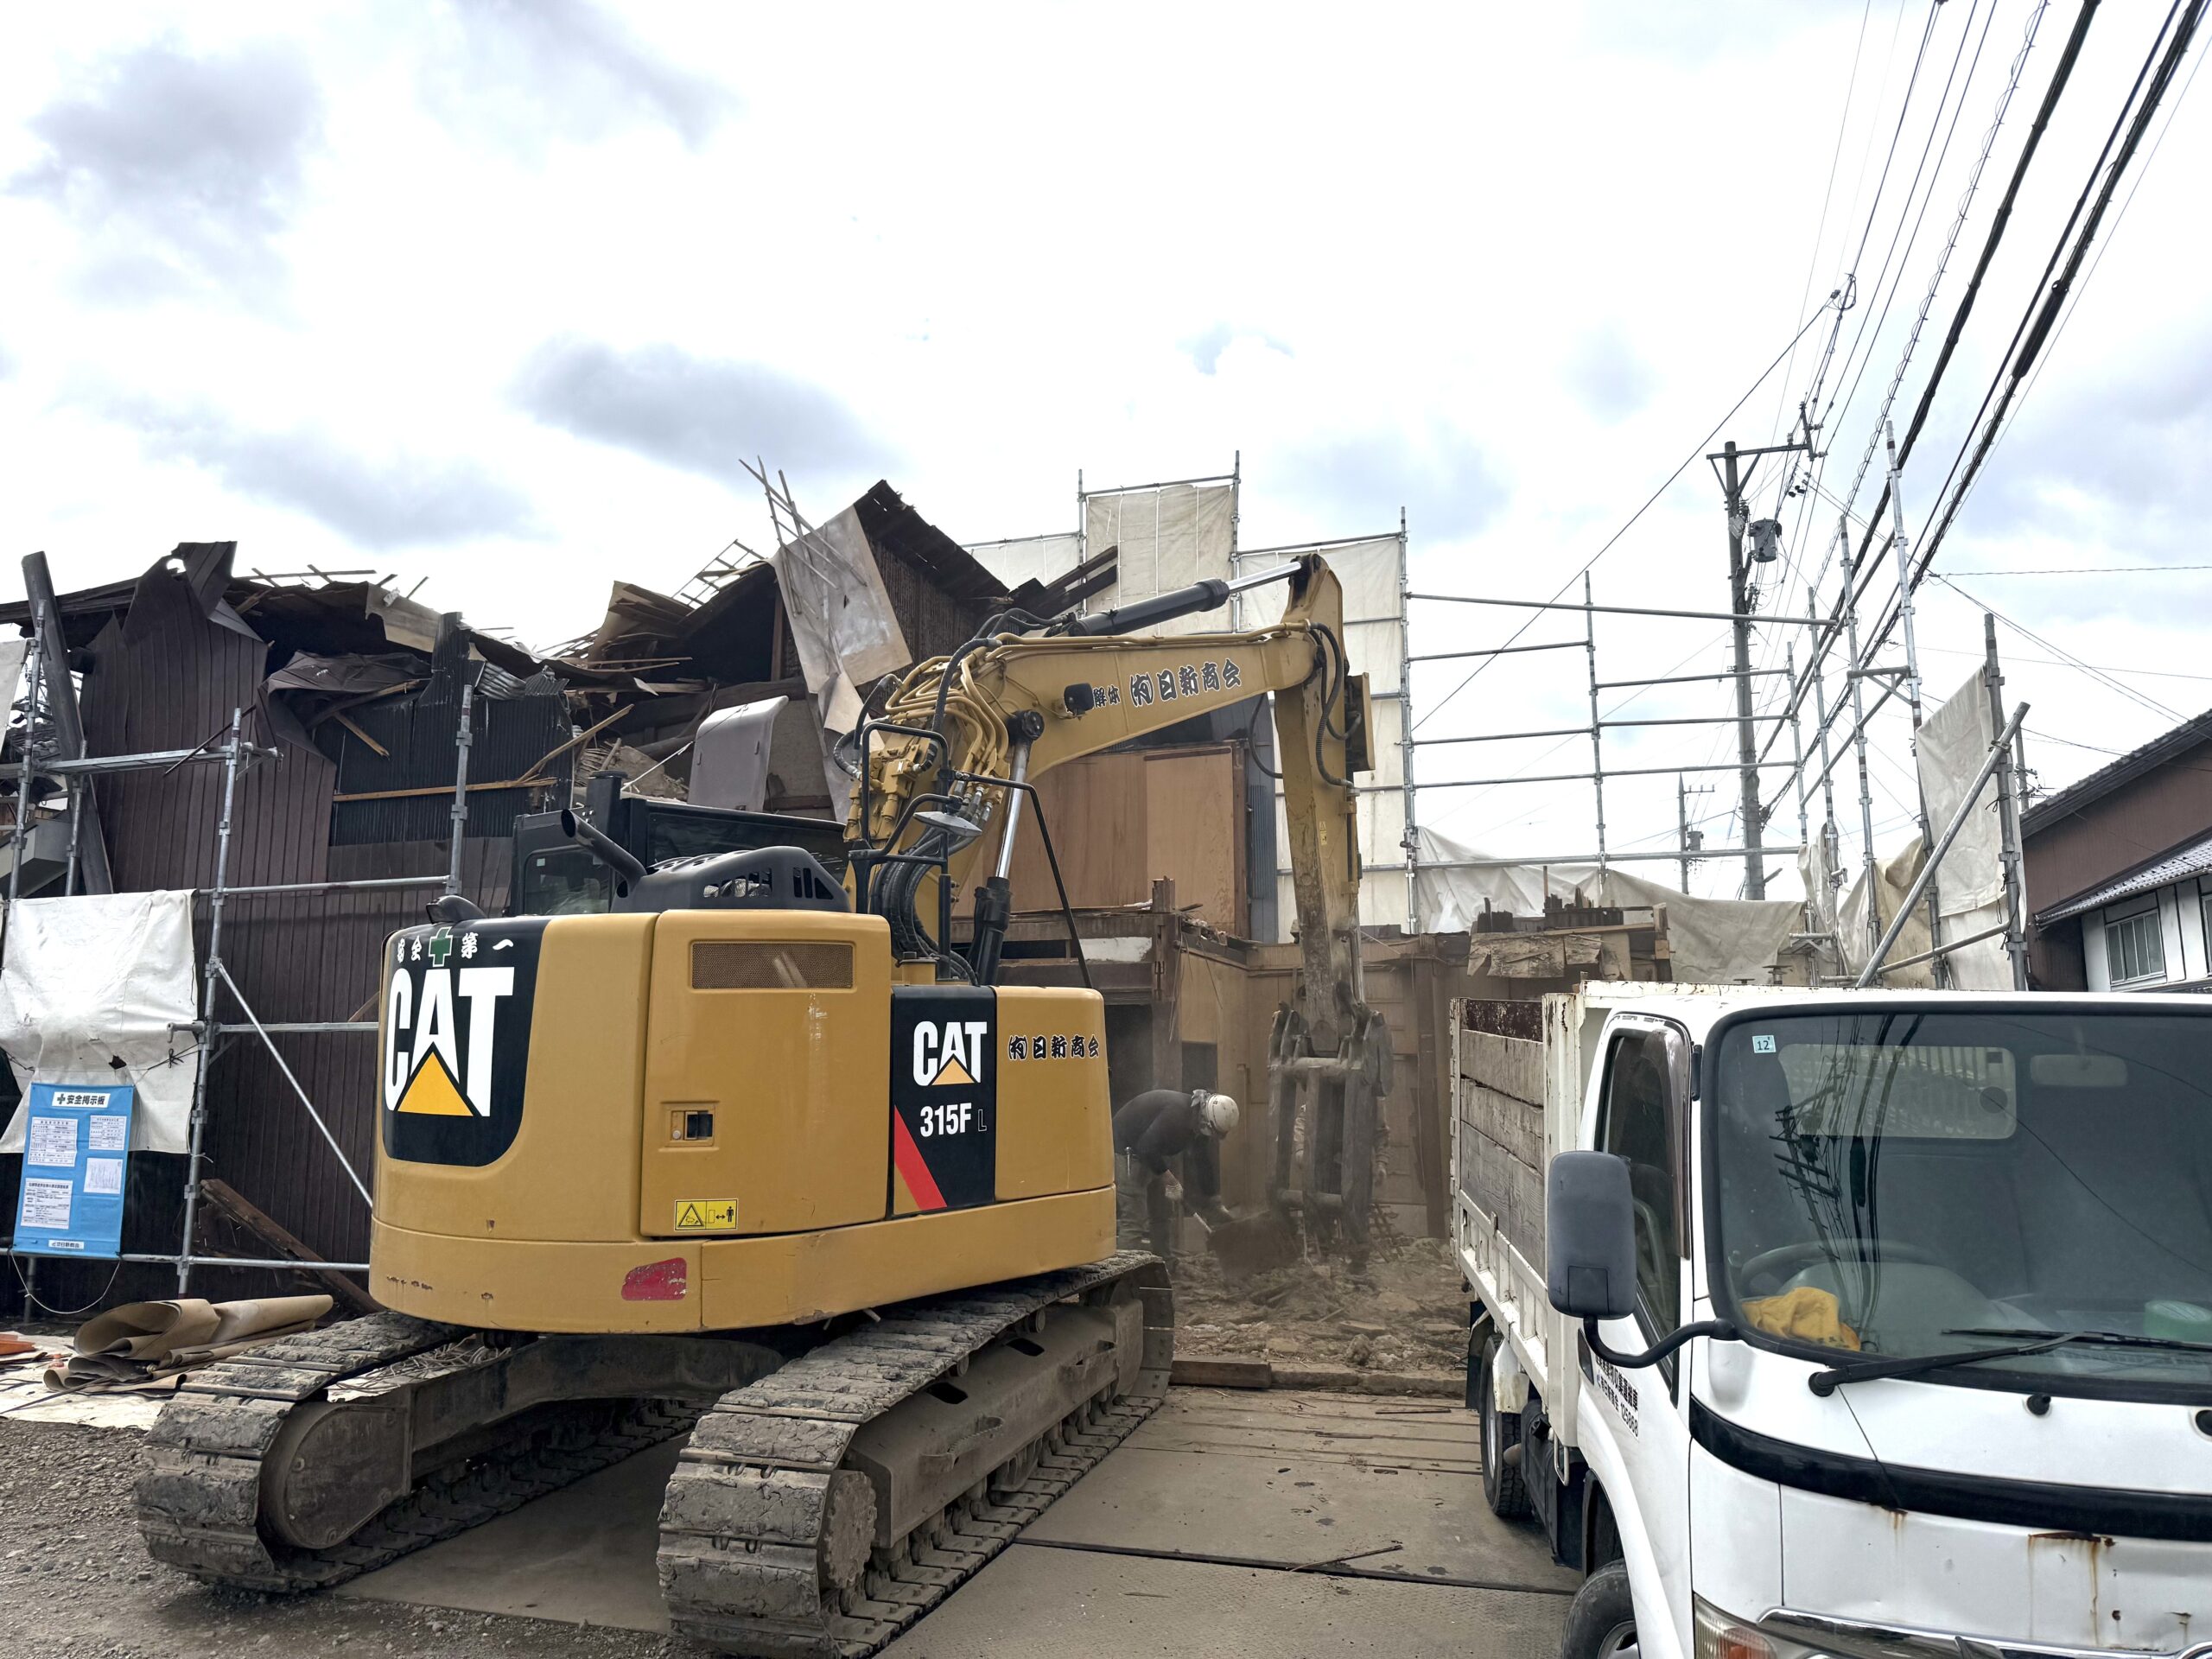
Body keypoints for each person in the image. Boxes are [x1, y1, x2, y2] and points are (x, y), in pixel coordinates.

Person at [1112, 1087, 1239, 1256]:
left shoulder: (1201, 1116)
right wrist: (1170, 1179)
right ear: (1207, 1123)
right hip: (1129, 1151)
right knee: (1134, 1219)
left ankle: (1164, 1262)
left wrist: (1214, 1200)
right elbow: (1146, 1147)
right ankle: (1128, 1270)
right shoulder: (1176, 1116)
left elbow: (1202, 1160)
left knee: (1162, 1212)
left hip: (1154, 1152)